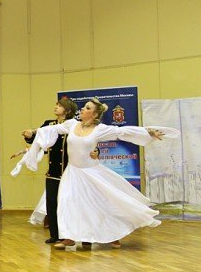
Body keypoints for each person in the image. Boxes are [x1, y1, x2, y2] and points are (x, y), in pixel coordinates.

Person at [14, 98, 179, 250]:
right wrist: (33, 132)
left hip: (91, 172)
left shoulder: (100, 130)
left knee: (101, 203)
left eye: (87, 108)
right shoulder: (71, 125)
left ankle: (113, 233)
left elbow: (122, 132)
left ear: (94, 115)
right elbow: (52, 129)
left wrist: (148, 132)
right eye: (84, 107)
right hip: (72, 172)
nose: (82, 109)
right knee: (67, 202)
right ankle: (69, 237)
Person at [20, 98, 78, 244]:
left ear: (68, 110)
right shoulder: (49, 124)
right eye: (56, 104)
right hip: (53, 171)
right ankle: (55, 234)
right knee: (51, 203)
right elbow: (38, 137)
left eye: (60, 105)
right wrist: (30, 136)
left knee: (67, 204)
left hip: (70, 171)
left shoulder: (75, 126)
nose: (56, 107)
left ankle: (67, 235)